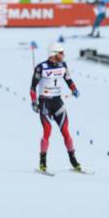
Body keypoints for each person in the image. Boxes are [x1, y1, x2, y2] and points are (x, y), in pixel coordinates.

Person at [30, 43, 82, 173]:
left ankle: (73, 161)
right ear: (53, 54)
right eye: (61, 52)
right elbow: (32, 87)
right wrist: (34, 102)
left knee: (65, 131)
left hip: (58, 102)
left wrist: (74, 89)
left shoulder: (63, 65)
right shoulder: (41, 67)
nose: (63, 55)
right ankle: (43, 162)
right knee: (47, 131)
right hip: (45, 103)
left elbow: (69, 80)